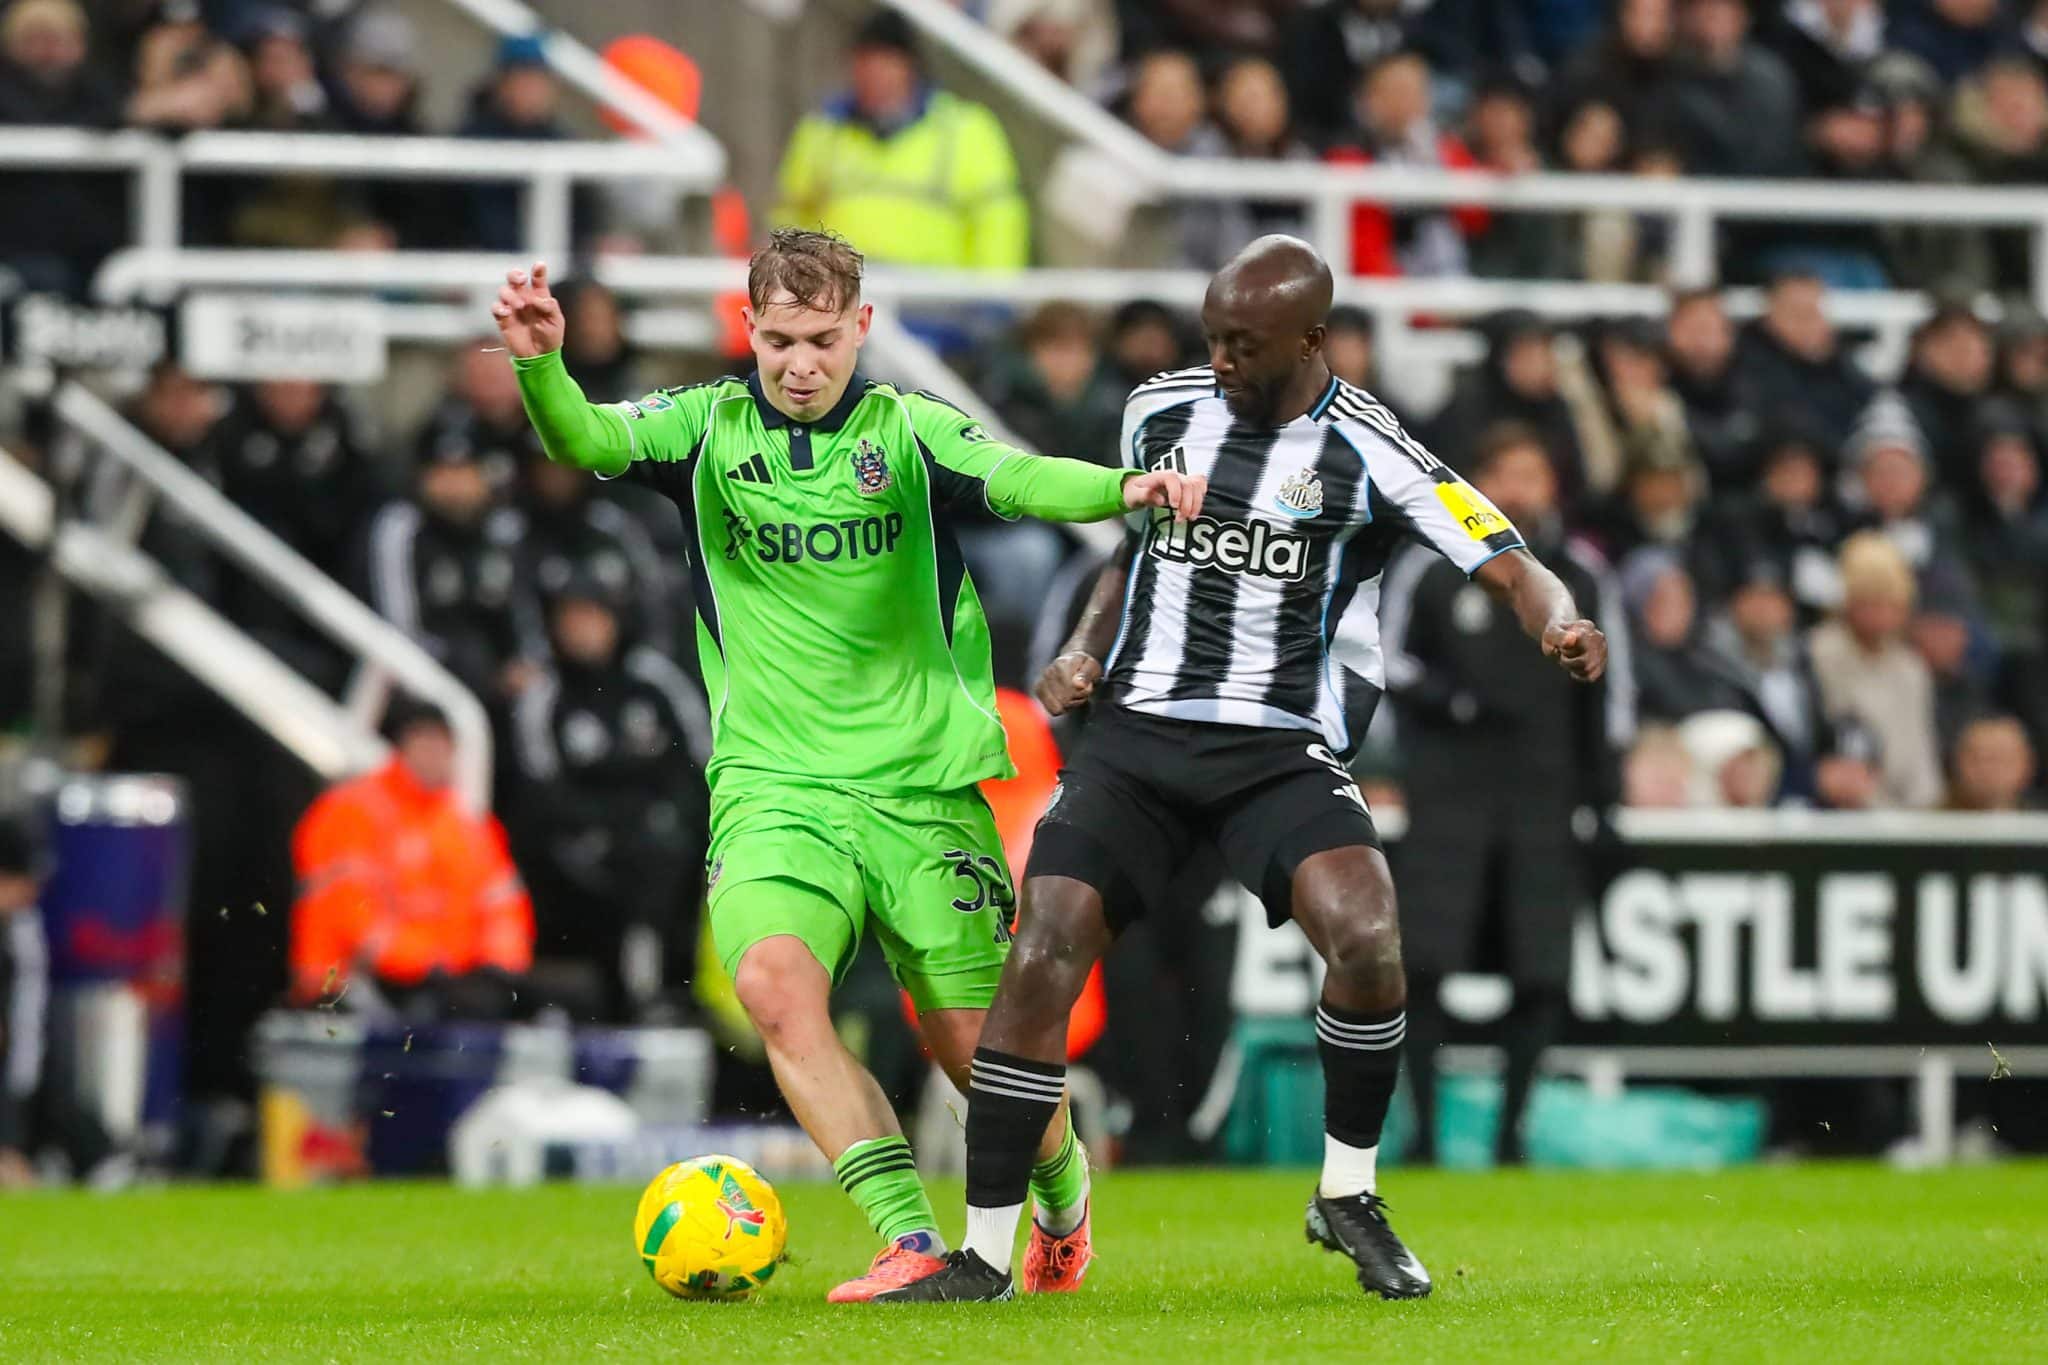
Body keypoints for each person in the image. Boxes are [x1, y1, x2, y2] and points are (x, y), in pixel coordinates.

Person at [885, 236, 1608, 1304]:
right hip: (1137, 739)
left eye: (1243, 343)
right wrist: (1086, 647)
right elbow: (1127, 553)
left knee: (1366, 936)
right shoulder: (1158, 411)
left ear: (1310, 339)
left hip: (1274, 749)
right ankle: (986, 1256)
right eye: (1211, 336)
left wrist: (1562, 620)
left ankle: (1346, 1193)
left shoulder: (1367, 447)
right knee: (1039, 951)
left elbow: (1505, 557)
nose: (1219, 357)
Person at [493, 228, 1204, 1301]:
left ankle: (1061, 1197)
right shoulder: (699, 431)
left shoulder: (909, 435)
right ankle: (908, 1237)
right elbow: (584, 441)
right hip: (774, 787)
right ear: (749, 329)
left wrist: (1124, 490)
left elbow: (1015, 477)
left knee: (973, 1046)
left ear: (860, 329)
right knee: (776, 989)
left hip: (921, 788)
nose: (800, 363)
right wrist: (543, 363)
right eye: (779, 339)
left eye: (822, 339)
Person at [1378, 423, 1631, 1167]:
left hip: (1542, 798)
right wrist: (1446, 702)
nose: (1520, 488)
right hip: (1446, 798)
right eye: (1505, 473)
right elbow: (1384, 660)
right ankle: (1422, 1136)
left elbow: (1609, 694)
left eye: (1533, 473)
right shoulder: (1429, 561)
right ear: (1480, 484)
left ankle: (1511, 1136)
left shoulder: (1582, 573)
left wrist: (1604, 797)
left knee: (1540, 969)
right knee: (1421, 965)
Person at [507, 579, 711, 1021]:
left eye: (593, 617)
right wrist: (612, 826)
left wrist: (669, 816)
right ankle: (634, 997)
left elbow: (700, 760)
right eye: (571, 620)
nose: (584, 630)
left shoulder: (654, 681)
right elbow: (542, 792)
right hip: (585, 845)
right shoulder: (546, 695)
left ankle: (671, 993)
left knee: (675, 851)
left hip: (662, 836)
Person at [288, 699, 535, 1017]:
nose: (436, 756)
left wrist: (499, 964)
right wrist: (425, 962)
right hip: (348, 985)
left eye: (443, 745)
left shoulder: (466, 824)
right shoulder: (353, 811)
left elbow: (504, 905)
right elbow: (352, 916)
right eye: (425, 743)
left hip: (442, 981)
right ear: (401, 747)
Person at [774, 13, 1027, 271]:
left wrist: (991, 298)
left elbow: (998, 220)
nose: (873, 75)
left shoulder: (966, 129)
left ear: (909, 67)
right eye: (864, 62)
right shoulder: (822, 129)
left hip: (937, 299)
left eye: (885, 63)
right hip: (838, 291)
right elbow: (789, 215)